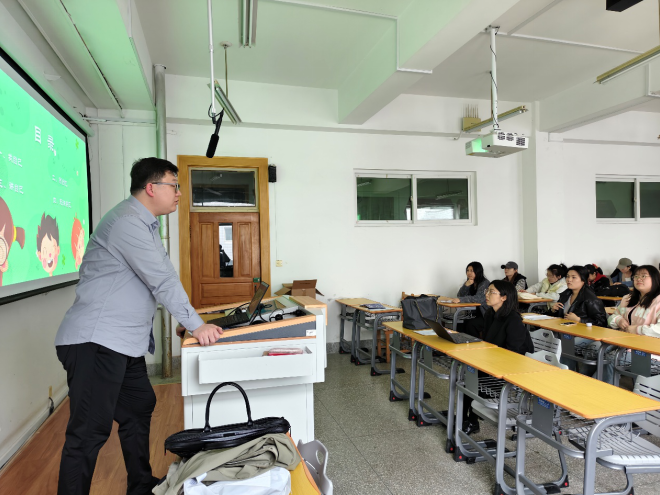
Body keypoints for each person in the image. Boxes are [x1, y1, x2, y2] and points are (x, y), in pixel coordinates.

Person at [54, 158, 224, 495]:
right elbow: (161, 281)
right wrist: (195, 325)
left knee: (138, 406)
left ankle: (141, 486)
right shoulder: (127, 223)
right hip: (96, 342)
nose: (179, 193)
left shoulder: (146, 225)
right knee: (88, 433)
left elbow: (164, 278)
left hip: (122, 344)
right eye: (174, 185)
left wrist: (188, 322)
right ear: (151, 188)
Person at [462, 280, 534, 435]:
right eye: (487, 291)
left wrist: (489, 361)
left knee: (475, 380)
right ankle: (464, 419)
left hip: (512, 366)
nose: (487, 295)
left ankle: (471, 421)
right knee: (469, 376)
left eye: (491, 292)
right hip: (495, 361)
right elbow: (489, 343)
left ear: (504, 297)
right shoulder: (490, 314)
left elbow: (514, 353)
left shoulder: (513, 319)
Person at [546, 265, 607, 374]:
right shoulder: (566, 294)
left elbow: (602, 323)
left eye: (574, 277)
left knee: (565, 345)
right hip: (567, 332)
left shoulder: (590, 298)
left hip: (586, 335)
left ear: (583, 280)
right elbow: (559, 318)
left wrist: (580, 320)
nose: (569, 280)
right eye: (568, 276)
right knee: (546, 339)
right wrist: (553, 310)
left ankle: (565, 375)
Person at [604, 265, 660, 383]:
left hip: (650, 351)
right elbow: (611, 318)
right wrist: (619, 320)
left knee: (611, 358)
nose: (639, 279)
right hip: (625, 343)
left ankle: (600, 390)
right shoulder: (628, 298)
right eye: (636, 276)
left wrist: (637, 329)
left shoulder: (658, 301)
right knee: (595, 350)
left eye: (643, 276)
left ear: (655, 278)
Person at [448, 261, 490, 338]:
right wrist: (466, 286)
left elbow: (478, 298)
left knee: (470, 324)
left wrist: (461, 300)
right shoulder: (469, 282)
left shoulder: (484, 283)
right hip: (472, 314)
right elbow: (460, 295)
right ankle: (460, 341)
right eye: (468, 270)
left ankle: (473, 343)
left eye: (472, 271)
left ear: (478, 271)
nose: (469, 273)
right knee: (460, 322)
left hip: (485, 315)